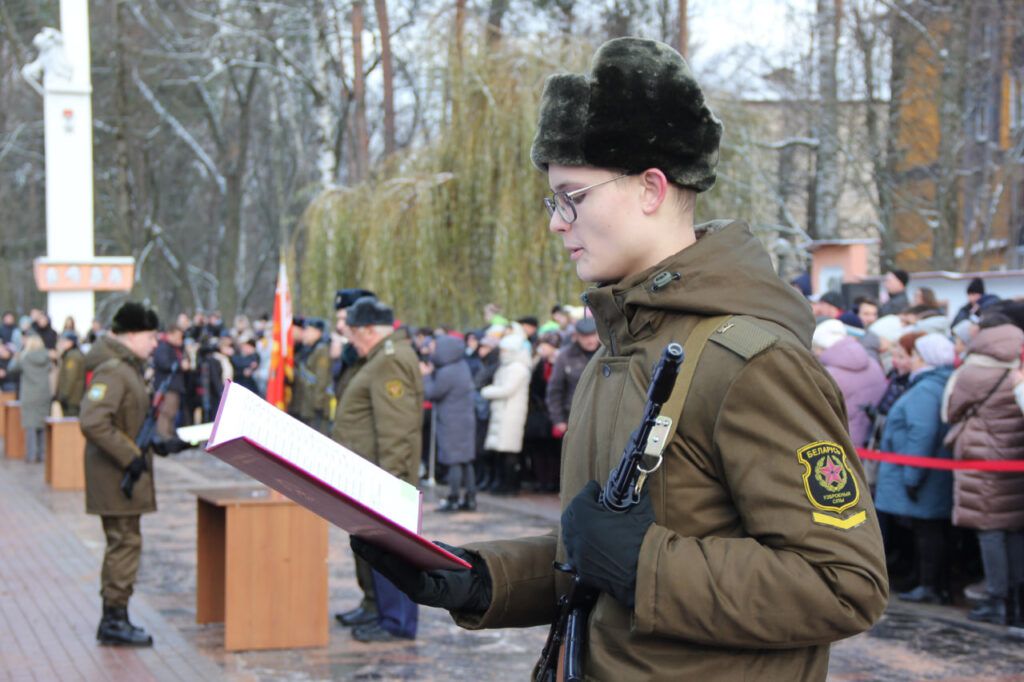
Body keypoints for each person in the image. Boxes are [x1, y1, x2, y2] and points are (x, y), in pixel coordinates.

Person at [351, 37, 887, 680]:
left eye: (572, 195)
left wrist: (645, 566)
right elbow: (598, 553)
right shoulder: (623, 345)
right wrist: (480, 580)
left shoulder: (750, 359)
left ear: (652, 188)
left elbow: (843, 583)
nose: (556, 222)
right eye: (554, 200)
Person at [80, 302, 183, 647]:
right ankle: (114, 619)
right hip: (115, 478)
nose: (155, 344)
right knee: (125, 544)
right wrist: (130, 457)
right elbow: (94, 421)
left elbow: (130, 421)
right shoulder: (115, 370)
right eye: (151, 336)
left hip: (120, 475)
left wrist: (159, 443)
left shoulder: (126, 368)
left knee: (123, 543)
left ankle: (115, 615)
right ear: (133, 335)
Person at [332, 296, 424, 643]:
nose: (350, 341)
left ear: (370, 330)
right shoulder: (378, 358)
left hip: (383, 479)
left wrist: (393, 484)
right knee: (379, 553)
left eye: (353, 333)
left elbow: (396, 430)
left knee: (393, 555)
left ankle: (397, 622)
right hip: (369, 475)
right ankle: (384, 614)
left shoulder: (390, 361)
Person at [942, 315, 1024, 625]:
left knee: (989, 531)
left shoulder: (974, 371)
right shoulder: (1018, 366)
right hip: (1015, 458)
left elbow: (951, 411)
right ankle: (1015, 597)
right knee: (1014, 527)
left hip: (983, 457)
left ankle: (996, 598)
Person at [874, 332, 956, 605]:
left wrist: (911, 476)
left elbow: (922, 432)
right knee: (925, 530)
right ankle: (922, 579)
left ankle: (928, 585)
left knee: (927, 531)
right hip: (927, 474)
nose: (913, 361)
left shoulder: (926, 389)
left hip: (921, 475)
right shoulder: (931, 384)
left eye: (917, 356)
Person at [421, 335, 477, 512]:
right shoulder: (461, 366)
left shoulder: (447, 372)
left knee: (454, 460)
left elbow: (432, 393)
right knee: (466, 460)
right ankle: (470, 497)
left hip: (452, 421)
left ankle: (453, 498)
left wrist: (426, 377)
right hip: (465, 418)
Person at [812, 319, 887, 447]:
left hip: (837, 441)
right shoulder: (873, 363)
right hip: (869, 438)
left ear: (820, 348)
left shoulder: (828, 375)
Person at [479, 334, 532, 495]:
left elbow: (507, 389)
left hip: (510, 414)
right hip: (502, 413)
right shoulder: (506, 366)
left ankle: (510, 485)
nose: (501, 353)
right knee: (501, 452)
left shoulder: (518, 368)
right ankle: (501, 483)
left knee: (509, 452)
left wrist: (486, 391)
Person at [545, 316, 599, 440]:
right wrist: (558, 419)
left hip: (601, 416)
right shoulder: (565, 356)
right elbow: (555, 390)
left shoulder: (607, 353)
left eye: (593, 335)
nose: (590, 340)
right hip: (573, 417)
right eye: (585, 336)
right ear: (576, 336)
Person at [10, 334, 52, 463]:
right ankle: (43, 455)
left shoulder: (25, 357)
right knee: (42, 425)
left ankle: (31, 455)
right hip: (44, 394)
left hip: (29, 395)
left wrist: (18, 354)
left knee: (30, 426)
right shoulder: (47, 357)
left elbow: (12, 368)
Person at [294, 318, 332, 433]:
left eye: (308, 330)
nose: (305, 333)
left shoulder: (322, 350)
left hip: (314, 407)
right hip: (306, 403)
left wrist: (318, 405)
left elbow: (322, 380)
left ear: (317, 332)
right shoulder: (309, 348)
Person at [56, 331, 87, 417]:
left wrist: (64, 395)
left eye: (64, 341)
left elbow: (70, 378)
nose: (61, 344)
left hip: (72, 399)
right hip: (73, 397)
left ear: (71, 342)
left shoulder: (72, 357)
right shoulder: (71, 355)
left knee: (70, 425)